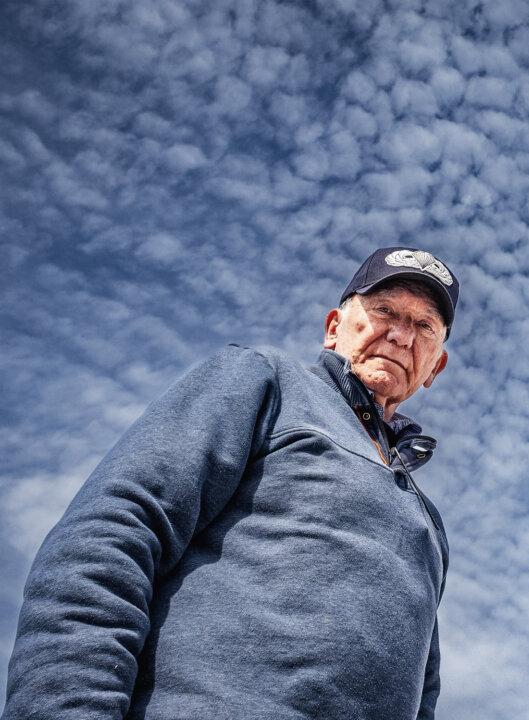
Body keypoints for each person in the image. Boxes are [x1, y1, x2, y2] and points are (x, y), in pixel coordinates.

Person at [3, 247, 459, 720]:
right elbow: (115, 532)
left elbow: (423, 693)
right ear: (333, 328)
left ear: (435, 366)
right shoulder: (267, 381)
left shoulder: (429, 522)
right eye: (384, 310)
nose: (402, 335)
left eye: (424, 326)